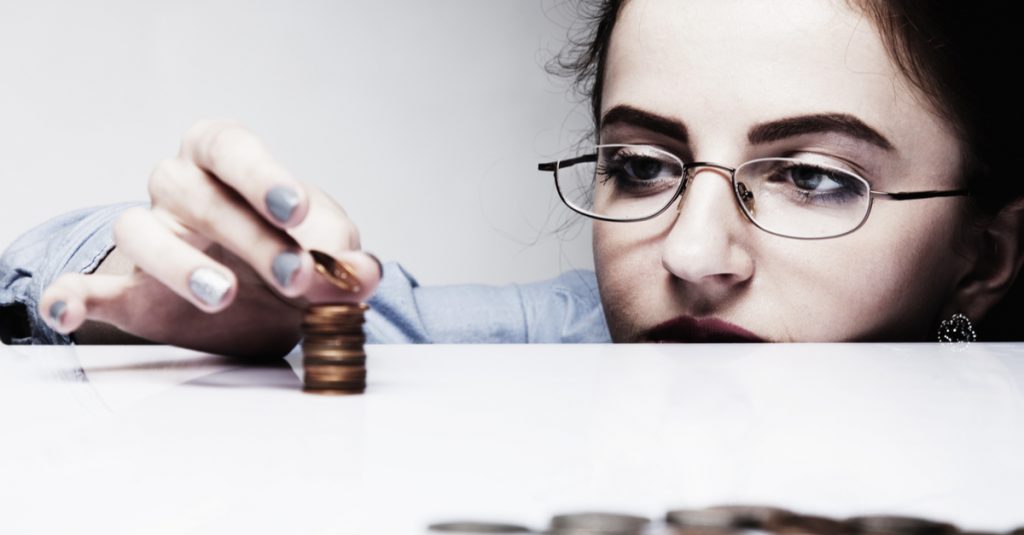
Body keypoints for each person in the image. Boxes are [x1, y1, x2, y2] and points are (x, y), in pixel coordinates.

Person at [1, 0, 1021, 356]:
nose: (691, 252)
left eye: (809, 176)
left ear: (982, 257)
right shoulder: (566, 338)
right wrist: (202, 283)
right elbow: (50, 256)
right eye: (638, 166)